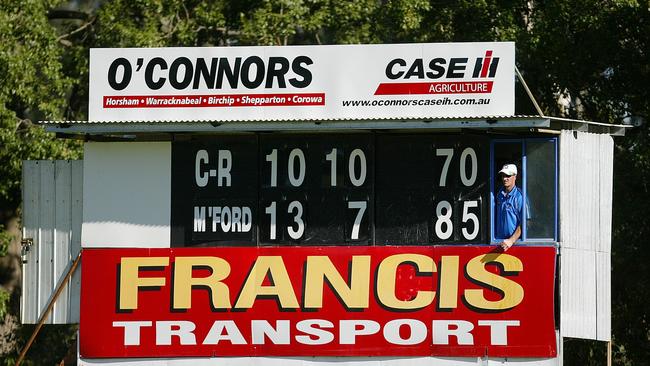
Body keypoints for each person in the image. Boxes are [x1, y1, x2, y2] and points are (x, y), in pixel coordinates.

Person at [496, 163, 523, 251]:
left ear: (515, 176)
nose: (504, 178)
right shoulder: (499, 194)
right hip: (498, 243)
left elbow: (526, 223)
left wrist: (511, 240)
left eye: (508, 176)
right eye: (503, 176)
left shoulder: (519, 196)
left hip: (514, 244)